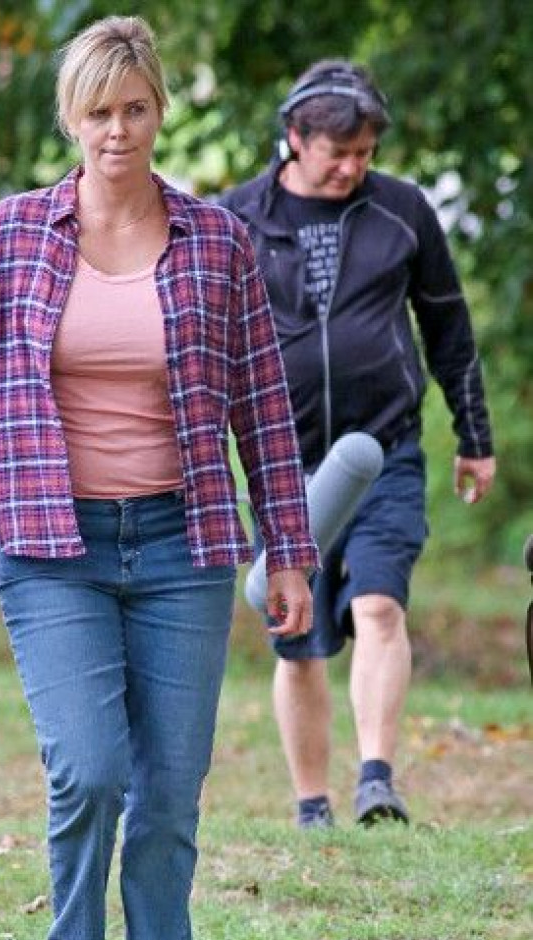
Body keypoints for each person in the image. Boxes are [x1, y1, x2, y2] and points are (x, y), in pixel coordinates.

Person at [0, 14, 317, 940]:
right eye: (99, 111)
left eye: (135, 109)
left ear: (158, 112)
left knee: (170, 791)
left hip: (182, 544)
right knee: (90, 770)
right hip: (52, 546)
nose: (118, 130)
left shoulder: (216, 240)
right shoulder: (11, 234)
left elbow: (262, 407)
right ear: (72, 118)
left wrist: (288, 546)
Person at [220, 60, 496, 829]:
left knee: (379, 603)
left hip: (385, 450)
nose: (352, 167)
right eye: (337, 152)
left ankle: (377, 779)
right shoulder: (236, 219)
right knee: (299, 640)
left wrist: (474, 436)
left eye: (365, 153)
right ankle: (313, 803)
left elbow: (448, 326)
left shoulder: (402, 211)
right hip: (282, 465)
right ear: (294, 136)